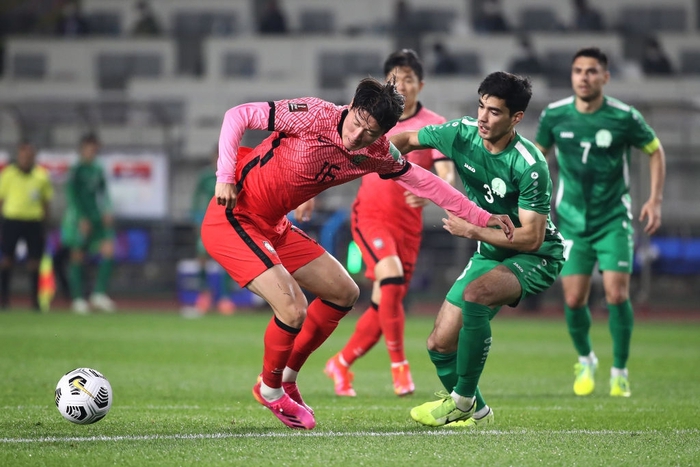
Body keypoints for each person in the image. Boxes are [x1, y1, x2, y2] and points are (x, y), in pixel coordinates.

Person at [201, 77, 515, 430]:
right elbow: (238, 114)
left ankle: (287, 377)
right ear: (351, 105)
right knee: (292, 308)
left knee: (344, 292)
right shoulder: (313, 114)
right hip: (233, 215)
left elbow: (427, 182)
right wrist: (224, 173)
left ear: (382, 133)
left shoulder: (377, 152)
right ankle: (270, 391)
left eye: (369, 133)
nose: (356, 137)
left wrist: (482, 216)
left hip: (273, 225)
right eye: (356, 123)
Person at [391, 71, 565, 428]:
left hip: (536, 256)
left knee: (476, 294)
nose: (483, 118)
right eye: (481, 107)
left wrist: (471, 229)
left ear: (516, 117)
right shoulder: (461, 133)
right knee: (439, 344)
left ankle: (462, 401)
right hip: (490, 251)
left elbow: (531, 238)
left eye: (495, 112)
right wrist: (370, 153)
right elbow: (407, 138)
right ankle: (479, 413)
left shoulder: (530, 165)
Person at [535, 47, 666, 398]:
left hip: (613, 219)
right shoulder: (555, 115)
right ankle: (585, 359)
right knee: (574, 297)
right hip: (573, 221)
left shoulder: (624, 117)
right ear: (571, 76)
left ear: (605, 77)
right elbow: (535, 158)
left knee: (616, 293)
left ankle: (620, 370)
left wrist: (655, 199)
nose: (584, 77)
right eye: (578, 70)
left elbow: (655, 150)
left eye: (592, 71)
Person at [323, 49, 453, 398]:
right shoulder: (373, 119)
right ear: (386, 83)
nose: (403, 85)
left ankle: (341, 363)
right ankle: (400, 366)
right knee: (391, 278)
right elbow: (331, 151)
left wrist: (436, 192)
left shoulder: (435, 124)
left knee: (385, 304)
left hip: (408, 226)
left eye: (409, 79)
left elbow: (445, 169)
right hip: (371, 216)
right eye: (396, 78)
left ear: (420, 85)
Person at [61, 133, 117, 314]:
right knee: (77, 255)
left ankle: (98, 294)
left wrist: (107, 209)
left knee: (108, 250)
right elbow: (71, 196)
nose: (93, 152)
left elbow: (104, 192)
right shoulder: (75, 169)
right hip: (79, 217)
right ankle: (78, 299)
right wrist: (80, 217)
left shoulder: (98, 169)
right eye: (90, 148)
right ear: (82, 149)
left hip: (96, 215)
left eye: (95, 148)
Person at [0, 141, 53, 310]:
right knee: (7, 259)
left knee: (34, 261)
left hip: (33, 221)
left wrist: (44, 223)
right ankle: (4, 299)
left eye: (29, 155)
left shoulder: (41, 175)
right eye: (23, 155)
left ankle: (35, 301)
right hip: (12, 220)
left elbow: (46, 202)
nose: (26, 159)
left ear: (34, 156)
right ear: (18, 156)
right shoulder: (8, 174)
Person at [190, 146, 235, 314]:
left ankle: (225, 297)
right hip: (206, 222)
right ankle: (204, 294)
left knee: (226, 260)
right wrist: (196, 219)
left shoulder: (232, 176)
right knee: (202, 255)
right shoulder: (206, 177)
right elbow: (196, 199)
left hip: (226, 223)